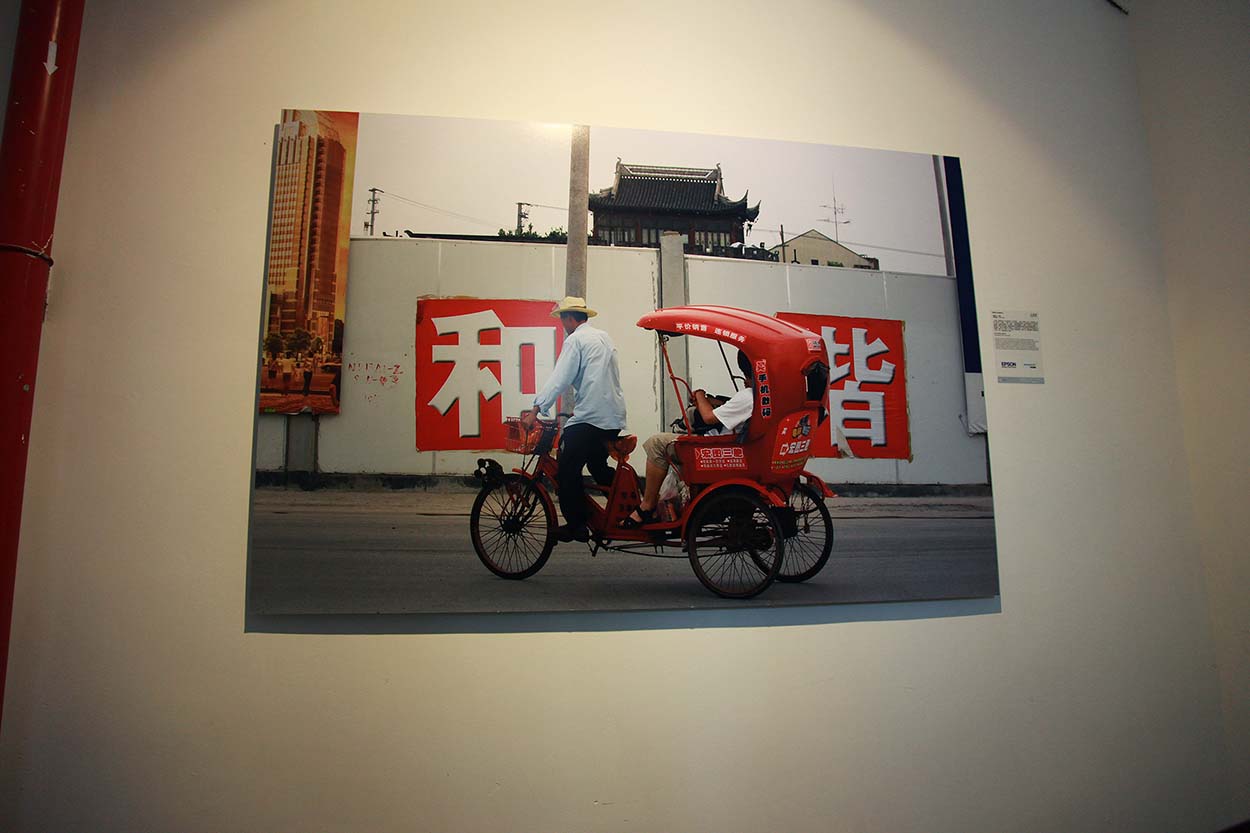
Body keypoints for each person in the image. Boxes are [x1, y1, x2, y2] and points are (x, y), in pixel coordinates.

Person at [521, 296, 627, 543]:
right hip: (612, 417)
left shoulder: (575, 340)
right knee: (597, 466)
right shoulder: (604, 337)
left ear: (569, 318)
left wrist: (536, 409)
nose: (562, 324)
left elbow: (560, 378)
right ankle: (631, 508)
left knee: (567, 470)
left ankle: (576, 525)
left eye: (562, 319)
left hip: (591, 416)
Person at [624, 349, 755, 527]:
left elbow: (708, 417)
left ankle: (646, 506)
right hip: (737, 447)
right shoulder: (768, 395)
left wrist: (700, 395)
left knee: (656, 443)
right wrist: (713, 402)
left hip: (714, 448)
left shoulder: (748, 396)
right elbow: (731, 409)